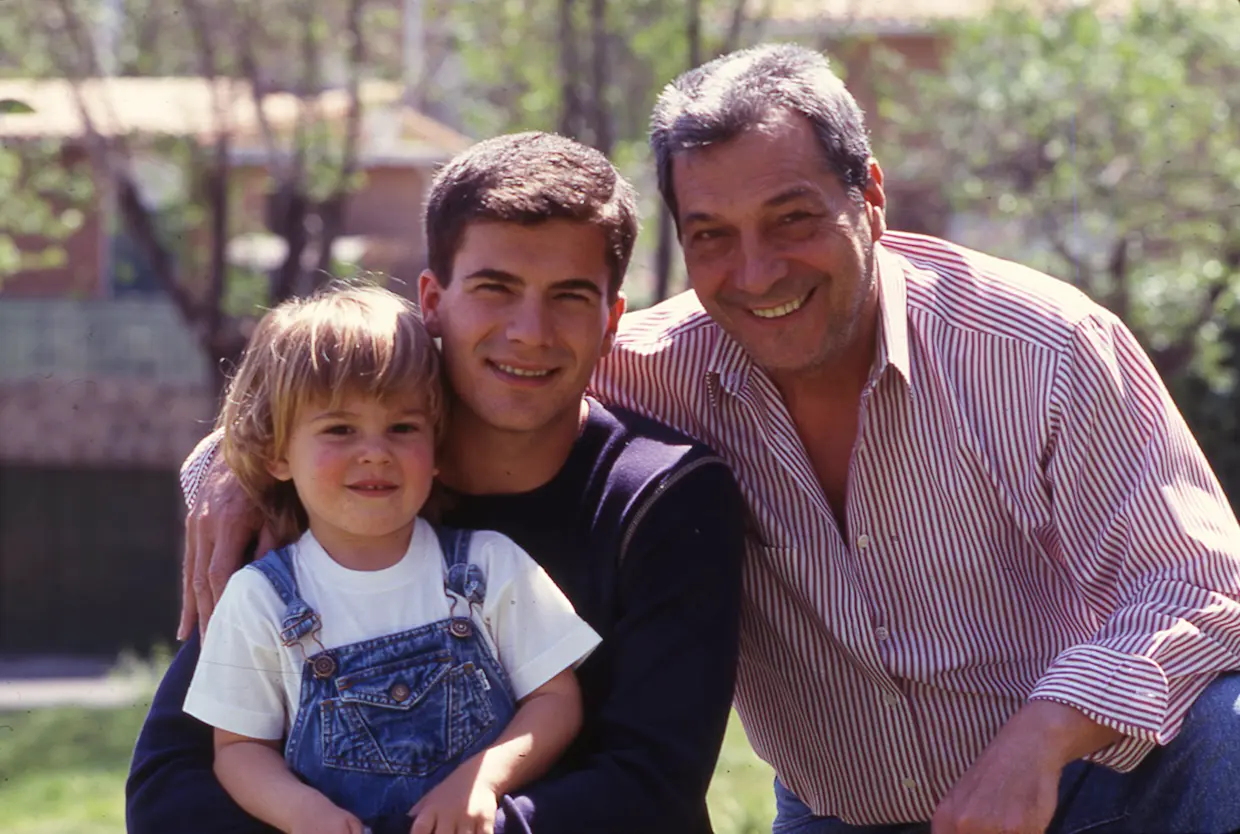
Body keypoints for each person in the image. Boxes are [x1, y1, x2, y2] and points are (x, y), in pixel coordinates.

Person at [588, 42, 1240, 834]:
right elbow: (458, 387)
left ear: (870, 195)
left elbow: (1202, 583)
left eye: (791, 219)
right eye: (713, 236)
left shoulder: (1041, 347)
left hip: (1090, 786)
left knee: (1227, 723)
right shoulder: (636, 381)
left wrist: (1038, 739)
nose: (756, 273)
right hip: (851, 816)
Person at [126, 132, 747, 834]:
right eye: (495, 288)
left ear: (611, 322)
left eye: (569, 296)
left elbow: (650, 786)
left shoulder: (664, 499)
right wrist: (231, 464)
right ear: (431, 298)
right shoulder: (327, 496)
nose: (530, 332)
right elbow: (172, 784)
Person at [183, 283, 601, 834]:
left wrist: (484, 778)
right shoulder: (258, 598)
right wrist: (305, 815)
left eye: (403, 428)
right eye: (340, 429)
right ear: (278, 453)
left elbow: (555, 699)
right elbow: (238, 747)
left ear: (437, 445)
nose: (376, 451)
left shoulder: (489, 567)